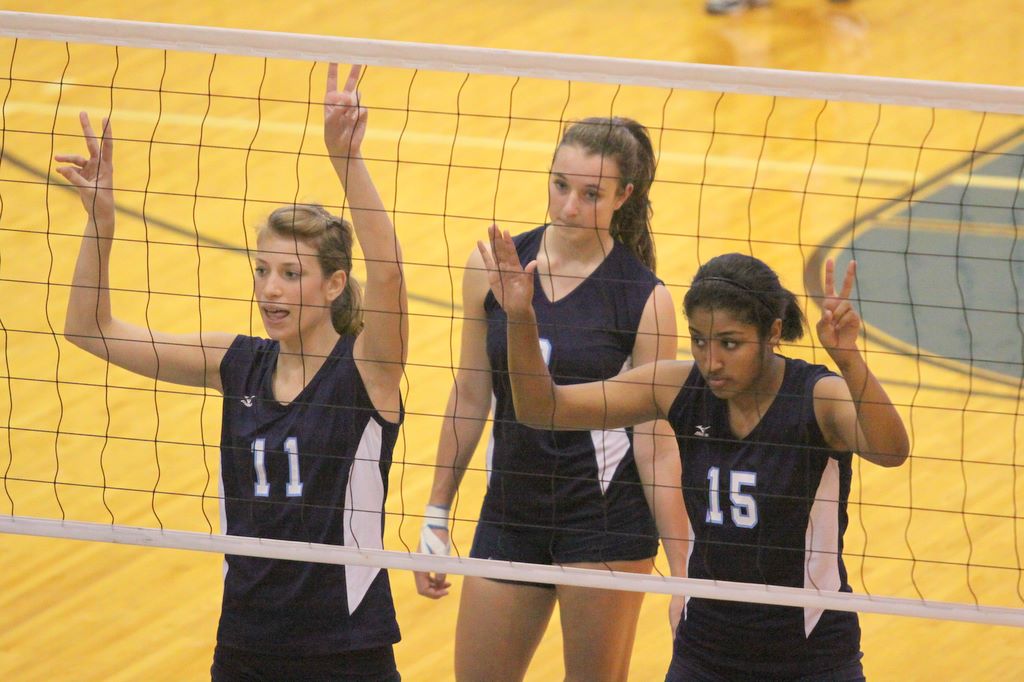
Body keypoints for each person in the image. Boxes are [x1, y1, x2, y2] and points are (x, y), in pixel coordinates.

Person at [58, 64, 407, 681]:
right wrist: (100, 222)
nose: (270, 289)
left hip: (345, 653)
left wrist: (347, 159)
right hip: (246, 648)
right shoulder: (237, 363)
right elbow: (91, 329)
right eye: (262, 270)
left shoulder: (367, 371)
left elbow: (389, 273)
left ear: (333, 285)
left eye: (291, 275)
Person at [480, 230, 910, 681]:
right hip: (705, 651)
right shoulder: (678, 388)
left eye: (729, 343)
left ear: (772, 333)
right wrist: (520, 317)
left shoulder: (817, 396)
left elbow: (891, 450)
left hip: (810, 656)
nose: (712, 361)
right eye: (699, 341)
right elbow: (542, 409)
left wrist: (850, 360)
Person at [413, 117, 689, 681]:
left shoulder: (644, 299)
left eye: (591, 194)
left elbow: (655, 445)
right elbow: (470, 393)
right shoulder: (492, 265)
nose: (568, 207)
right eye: (560, 185)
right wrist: (437, 512)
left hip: (603, 521)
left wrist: (686, 573)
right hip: (511, 511)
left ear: (622, 196)